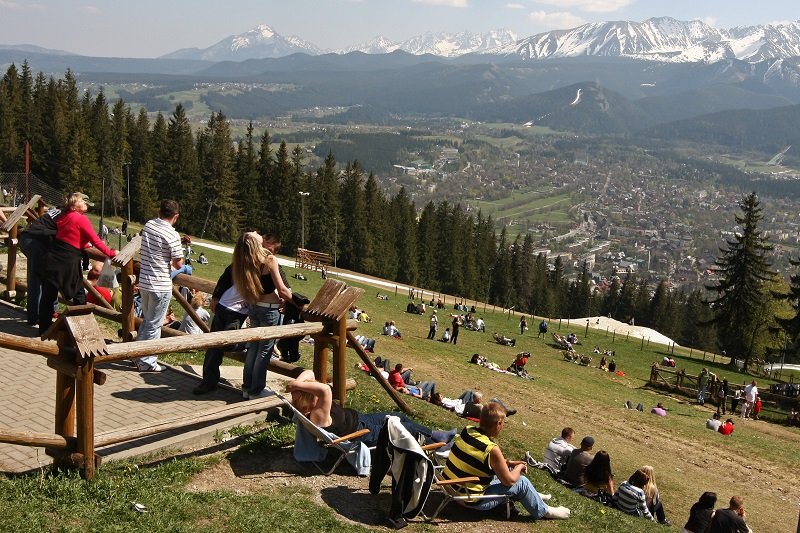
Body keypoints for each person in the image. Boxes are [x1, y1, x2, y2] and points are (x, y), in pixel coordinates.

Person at [442, 402, 571, 521]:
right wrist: (519, 466)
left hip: (452, 486)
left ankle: (534, 495)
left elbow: (480, 460)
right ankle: (545, 511)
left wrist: (509, 463)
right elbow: (509, 481)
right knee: (522, 482)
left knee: (508, 469)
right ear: (498, 423)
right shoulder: (491, 449)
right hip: (470, 499)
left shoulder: (468, 431)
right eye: (503, 423)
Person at [287, 369, 453, 447]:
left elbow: (309, 372)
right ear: (312, 399)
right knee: (403, 427)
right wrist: (297, 385)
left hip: (361, 419)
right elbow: (325, 389)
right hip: (363, 434)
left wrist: (295, 385)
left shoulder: (311, 407)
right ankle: (438, 443)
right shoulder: (317, 415)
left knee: (397, 416)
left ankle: (434, 434)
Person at [39, 193, 117, 335]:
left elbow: (71, 235)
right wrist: (110, 253)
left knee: (49, 294)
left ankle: (44, 329)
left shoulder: (65, 216)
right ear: (75, 205)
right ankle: (79, 330)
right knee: (79, 296)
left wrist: (83, 243)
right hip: (68, 260)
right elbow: (96, 241)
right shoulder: (81, 219)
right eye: (83, 201)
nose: (86, 204)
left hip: (54, 257)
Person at [234, 232, 293, 399]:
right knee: (264, 351)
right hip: (269, 309)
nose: (257, 232)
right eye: (254, 233)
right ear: (253, 241)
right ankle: (256, 389)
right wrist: (296, 302)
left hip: (254, 306)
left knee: (253, 348)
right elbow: (282, 290)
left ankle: (247, 387)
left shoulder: (246, 260)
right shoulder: (268, 260)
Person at [133, 199, 182, 372]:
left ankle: (137, 354)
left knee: (147, 321)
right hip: (160, 285)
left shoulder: (149, 225)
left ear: (159, 211)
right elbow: (178, 264)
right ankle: (147, 361)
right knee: (154, 325)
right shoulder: (172, 235)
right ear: (175, 217)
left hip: (145, 281)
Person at [19, 204, 63, 327]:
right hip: (36, 243)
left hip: (30, 239)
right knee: (37, 280)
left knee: (46, 277)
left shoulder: (56, 210)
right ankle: (34, 316)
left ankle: (49, 311)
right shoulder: (66, 215)